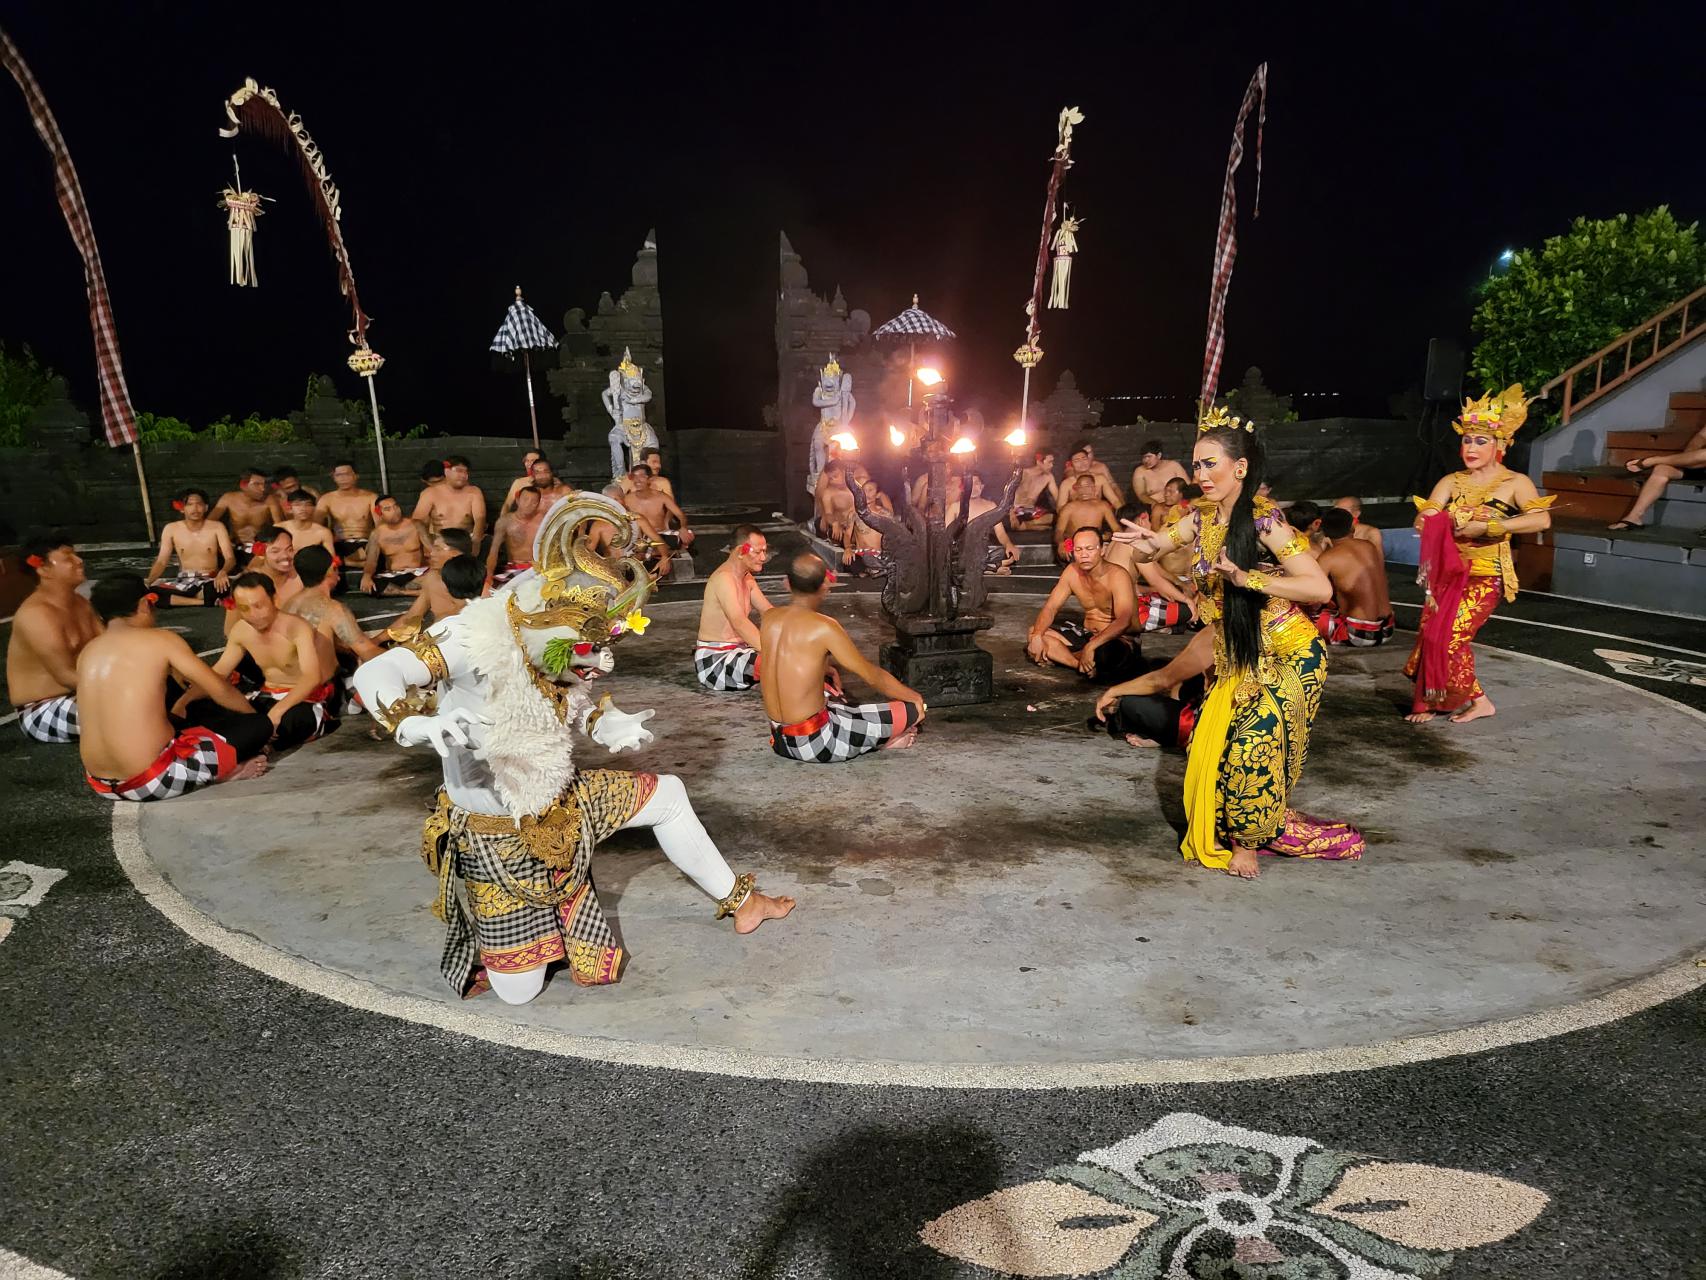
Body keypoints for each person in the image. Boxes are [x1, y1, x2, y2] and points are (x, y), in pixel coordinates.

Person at [350, 493, 793, 1004]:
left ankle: (744, 902)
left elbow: (569, 698)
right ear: (540, 622)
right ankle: (537, 932)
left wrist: (607, 721)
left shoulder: (552, 649)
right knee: (519, 992)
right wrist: (415, 723)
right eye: (589, 648)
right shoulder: (468, 635)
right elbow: (376, 671)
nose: (601, 663)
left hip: (561, 801)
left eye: (606, 647)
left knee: (667, 795)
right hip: (498, 833)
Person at [1114, 406, 1355, 880]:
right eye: (1197, 464)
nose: (1201, 474)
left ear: (1239, 468)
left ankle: (1246, 842)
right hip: (1238, 652)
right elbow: (1157, 547)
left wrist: (1248, 578)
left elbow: (1319, 589)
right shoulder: (1200, 519)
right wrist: (1143, 543)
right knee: (1220, 745)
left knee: (1254, 746)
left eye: (1211, 464)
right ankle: (1247, 822)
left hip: (1289, 651)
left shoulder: (1266, 524)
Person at [1405, 385, 1555, 724]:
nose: (1471, 448)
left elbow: (1541, 518)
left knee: (1452, 636)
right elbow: (1426, 513)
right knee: (1432, 635)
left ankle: (1479, 701)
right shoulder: (1451, 481)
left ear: (1500, 445)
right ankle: (1433, 700)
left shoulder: (1515, 482)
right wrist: (1437, 520)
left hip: (1486, 573)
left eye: (1480, 441)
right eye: (1468, 440)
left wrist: (1491, 528)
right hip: (1447, 573)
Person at [78, 575, 271, 801]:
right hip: (152, 781)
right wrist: (254, 724)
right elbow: (220, 689)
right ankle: (224, 772)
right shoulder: (161, 640)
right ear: (143, 604)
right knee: (259, 725)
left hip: (100, 784)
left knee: (181, 701)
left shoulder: (88, 651)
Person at [762, 553, 925, 762]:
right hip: (816, 744)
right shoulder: (824, 627)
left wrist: (826, 669)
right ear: (824, 586)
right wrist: (914, 698)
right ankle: (882, 741)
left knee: (834, 693)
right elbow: (871, 675)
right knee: (910, 711)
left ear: (787, 584)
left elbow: (787, 664)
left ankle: (874, 737)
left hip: (779, 741)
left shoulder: (769, 618)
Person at [190, 572, 335, 749]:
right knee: (198, 709)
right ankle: (254, 734)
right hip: (266, 696)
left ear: (275, 600)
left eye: (258, 606)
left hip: (301, 700)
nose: (253, 614)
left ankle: (253, 737)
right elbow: (218, 672)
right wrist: (183, 703)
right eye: (244, 608)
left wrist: (278, 711)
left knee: (283, 725)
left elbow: (312, 677)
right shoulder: (241, 630)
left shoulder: (296, 627)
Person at [6, 533, 101, 743]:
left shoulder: (81, 603)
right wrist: (124, 683)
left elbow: (109, 646)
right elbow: (65, 676)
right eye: (68, 557)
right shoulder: (36, 615)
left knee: (157, 692)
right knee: (131, 704)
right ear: (43, 569)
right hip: (43, 711)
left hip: (81, 693)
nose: (79, 560)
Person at [1026, 528, 1146, 684]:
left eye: (1090, 549)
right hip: (1087, 635)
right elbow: (1051, 608)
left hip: (1117, 640)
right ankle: (1078, 664)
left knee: (1104, 655)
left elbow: (1124, 620)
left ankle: (1070, 656)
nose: (1084, 554)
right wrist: (1037, 636)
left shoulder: (1118, 575)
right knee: (1034, 632)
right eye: (1078, 549)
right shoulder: (1072, 572)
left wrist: (1091, 647)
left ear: (1102, 550)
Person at [1093, 627, 1213, 748]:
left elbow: (1162, 679)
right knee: (1187, 676)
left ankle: (1172, 737)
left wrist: (1112, 692)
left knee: (1131, 702)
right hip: (1217, 724)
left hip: (1208, 730)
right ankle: (1168, 735)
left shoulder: (1216, 634)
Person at [694, 528, 773, 690]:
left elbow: (769, 612)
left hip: (740, 651)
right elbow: (739, 622)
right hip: (716, 661)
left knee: (796, 656)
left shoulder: (747, 578)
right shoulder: (724, 578)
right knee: (780, 663)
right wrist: (774, 653)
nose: (763, 558)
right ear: (740, 551)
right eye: (758, 552)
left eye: (764, 551)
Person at [285, 545, 384, 671]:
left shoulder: (288, 604)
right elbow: (367, 651)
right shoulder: (332, 609)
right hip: (321, 683)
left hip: (288, 679)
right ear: (332, 569)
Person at [1105, 505, 1196, 630]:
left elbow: (1156, 569)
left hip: (1115, 604)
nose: (1150, 524)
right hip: (1125, 611)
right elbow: (1156, 580)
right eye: (1148, 520)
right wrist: (1186, 600)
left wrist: (1179, 583)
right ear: (1142, 520)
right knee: (1187, 610)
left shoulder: (1115, 542)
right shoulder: (1134, 544)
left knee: (1176, 593)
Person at [1314, 508, 1395, 646]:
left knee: (1300, 616)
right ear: (1352, 527)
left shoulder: (1327, 558)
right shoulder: (1369, 546)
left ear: (1324, 531)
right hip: (1388, 629)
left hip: (1357, 633)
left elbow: (1314, 596)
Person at [146, 488, 237, 606]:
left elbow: (230, 558)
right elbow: (162, 561)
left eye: (199, 504)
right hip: (183, 580)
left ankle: (187, 599)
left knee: (220, 588)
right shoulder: (171, 529)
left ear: (206, 507)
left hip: (208, 579)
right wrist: (149, 581)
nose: (195, 509)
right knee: (151, 593)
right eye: (189, 504)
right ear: (182, 508)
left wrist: (223, 572)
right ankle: (201, 601)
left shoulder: (217, 527)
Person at [1610, 421, 1706, 530]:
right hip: (1700, 466)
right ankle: (1634, 518)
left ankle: (1653, 460)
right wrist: (1690, 452)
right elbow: (1701, 437)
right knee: (1661, 469)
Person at [384, 529, 477, 633]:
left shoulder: (469, 579)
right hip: (436, 634)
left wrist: (431, 633)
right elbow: (413, 615)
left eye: (438, 549)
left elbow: (466, 613)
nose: (431, 553)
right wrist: (377, 640)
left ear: (455, 554)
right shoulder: (432, 577)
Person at [360, 495, 430, 596]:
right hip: (394, 575)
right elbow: (371, 561)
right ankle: (410, 592)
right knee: (366, 585)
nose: (394, 511)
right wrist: (366, 576)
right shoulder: (377, 534)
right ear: (379, 513)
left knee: (434, 578)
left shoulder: (416, 525)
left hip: (417, 574)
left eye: (395, 506)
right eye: (388, 509)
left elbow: (432, 549)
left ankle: (401, 590)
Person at [413, 456, 487, 549]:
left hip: (466, 542)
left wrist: (475, 546)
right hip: (440, 544)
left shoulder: (474, 492)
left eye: (464, 472)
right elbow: (417, 521)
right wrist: (431, 548)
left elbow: (480, 519)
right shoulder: (429, 493)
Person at [314, 461, 379, 566]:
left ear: (356, 475)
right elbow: (315, 527)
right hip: (340, 543)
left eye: (347, 474)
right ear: (334, 478)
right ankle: (353, 563)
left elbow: (380, 526)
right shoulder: (326, 499)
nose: (343, 479)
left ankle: (348, 562)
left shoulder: (371, 497)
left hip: (365, 542)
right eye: (339, 475)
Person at [623, 463, 694, 557]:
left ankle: (652, 553)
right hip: (640, 538)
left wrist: (683, 528)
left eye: (641, 476)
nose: (637, 480)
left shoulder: (661, 497)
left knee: (688, 535)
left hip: (661, 534)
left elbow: (680, 515)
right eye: (635, 476)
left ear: (649, 479)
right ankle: (657, 553)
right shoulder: (627, 499)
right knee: (638, 544)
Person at [485, 485, 547, 586]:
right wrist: (488, 579)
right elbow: (493, 552)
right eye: (525, 499)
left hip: (538, 570)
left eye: (534, 501)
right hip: (513, 569)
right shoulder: (505, 521)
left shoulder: (544, 521)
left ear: (538, 504)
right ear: (517, 500)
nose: (528, 504)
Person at [1052, 474, 1119, 561]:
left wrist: (1114, 538)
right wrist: (1061, 543)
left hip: (1094, 544)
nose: (1084, 490)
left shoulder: (1103, 506)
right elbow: (1059, 531)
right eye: (1080, 487)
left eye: (1087, 486)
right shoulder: (1068, 508)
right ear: (1076, 489)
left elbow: (1116, 528)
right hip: (1074, 545)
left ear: (1094, 488)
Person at [963, 474, 1019, 573]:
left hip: (983, 551)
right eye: (970, 484)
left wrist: (1009, 544)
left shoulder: (990, 506)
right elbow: (946, 536)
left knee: (1006, 554)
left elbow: (1001, 533)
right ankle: (992, 567)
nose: (973, 487)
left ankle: (988, 567)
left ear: (982, 486)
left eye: (976, 483)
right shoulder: (956, 506)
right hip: (963, 551)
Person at [210, 468, 275, 545]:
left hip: (261, 548)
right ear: (243, 485)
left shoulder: (270, 500)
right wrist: (222, 543)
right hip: (234, 546)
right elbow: (209, 523)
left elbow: (280, 527)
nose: (263, 489)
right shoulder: (228, 498)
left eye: (264, 485)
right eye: (257, 484)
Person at [1130, 439, 1189, 513]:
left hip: (1179, 507)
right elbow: (1141, 495)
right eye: (1144, 457)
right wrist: (1158, 507)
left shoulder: (1174, 466)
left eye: (1149, 457)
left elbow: (1188, 487)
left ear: (1159, 455)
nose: (1146, 460)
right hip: (1154, 509)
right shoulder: (1140, 471)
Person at [278, 489, 336, 555]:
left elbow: (332, 560)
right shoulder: (279, 528)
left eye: (308, 504)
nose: (303, 508)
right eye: (298, 505)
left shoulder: (323, 533)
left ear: (314, 508)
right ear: (290, 508)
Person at [1066, 442, 1123, 506]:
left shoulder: (1100, 467)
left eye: (1090, 452)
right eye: (1086, 453)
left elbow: (1114, 486)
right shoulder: (1071, 469)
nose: (1089, 455)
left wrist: (1122, 507)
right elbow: (1073, 478)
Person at [814, 460, 857, 545]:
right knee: (822, 525)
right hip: (840, 526)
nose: (833, 480)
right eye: (830, 479)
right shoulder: (828, 493)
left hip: (856, 527)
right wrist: (834, 523)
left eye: (835, 476)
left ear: (844, 472)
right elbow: (828, 513)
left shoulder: (857, 488)